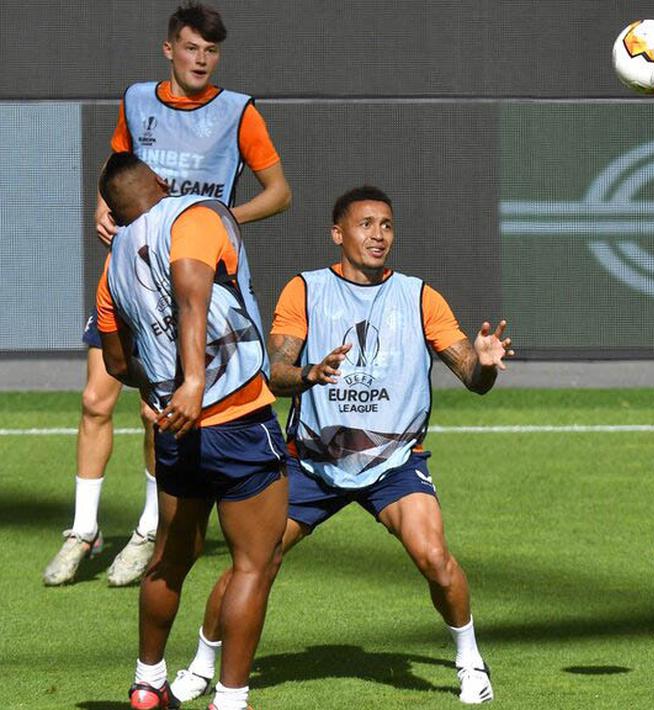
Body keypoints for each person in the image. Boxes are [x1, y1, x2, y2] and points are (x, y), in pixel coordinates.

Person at [170, 186, 511, 705]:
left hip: (391, 461)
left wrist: (484, 365)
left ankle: (469, 660)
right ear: (338, 233)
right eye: (366, 224)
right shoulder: (305, 289)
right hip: (311, 463)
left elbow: (471, 376)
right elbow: (275, 373)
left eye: (387, 226)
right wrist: (308, 373)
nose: (378, 236)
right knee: (254, 564)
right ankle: (202, 662)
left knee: (435, 557)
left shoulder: (420, 296)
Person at [44, 1, 292, 587]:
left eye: (210, 51)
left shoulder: (238, 112)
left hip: (192, 279)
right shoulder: (137, 101)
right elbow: (115, 168)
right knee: (95, 398)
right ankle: (83, 530)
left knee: (155, 408)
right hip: (131, 276)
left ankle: (150, 529)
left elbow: (279, 191)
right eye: (191, 47)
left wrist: (216, 216)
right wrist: (102, 210)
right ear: (169, 49)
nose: (200, 59)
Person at [95, 152, 287, 710]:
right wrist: (195, 380)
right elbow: (190, 290)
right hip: (235, 415)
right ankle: (231, 698)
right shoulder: (191, 215)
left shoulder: (112, 268)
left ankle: (147, 683)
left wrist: (163, 390)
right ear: (157, 182)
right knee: (256, 561)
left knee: (171, 558)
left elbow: (115, 362)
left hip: (174, 431)